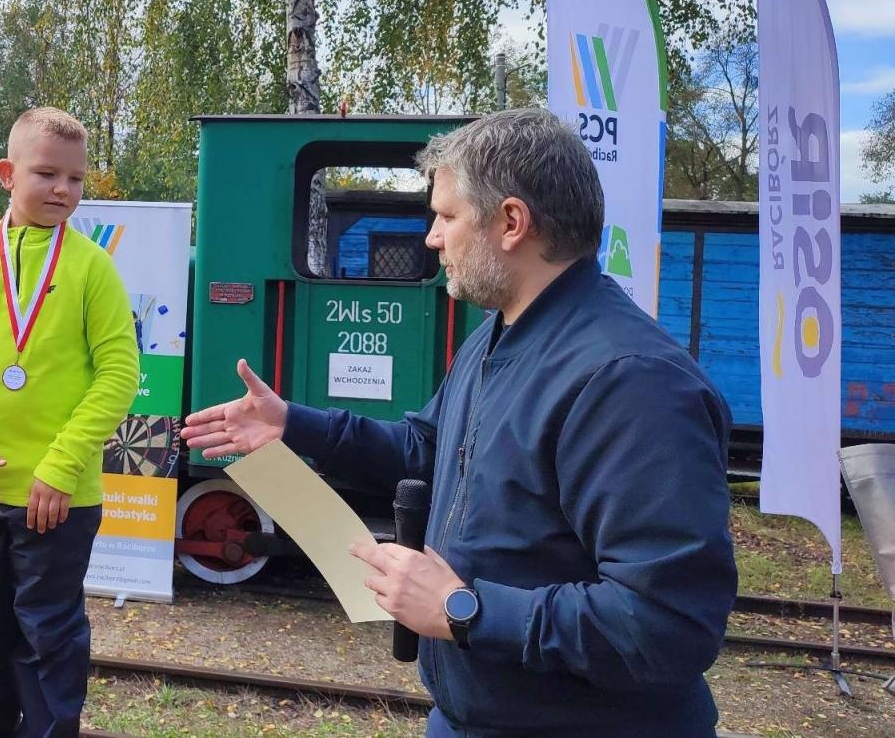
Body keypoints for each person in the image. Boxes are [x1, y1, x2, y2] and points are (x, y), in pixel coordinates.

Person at [182, 108, 736, 737]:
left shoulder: (631, 383)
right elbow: (428, 451)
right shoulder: (500, 335)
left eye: (446, 215)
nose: (430, 237)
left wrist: (463, 609)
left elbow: (665, 626)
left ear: (511, 222)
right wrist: (294, 426)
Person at [0, 106, 140, 738]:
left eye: (76, 179)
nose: (63, 190)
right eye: (47, 174)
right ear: (7, 173)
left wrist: (62, 467)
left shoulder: (92, 266)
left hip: (59, 499)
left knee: (49, 639)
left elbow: (118, 372)